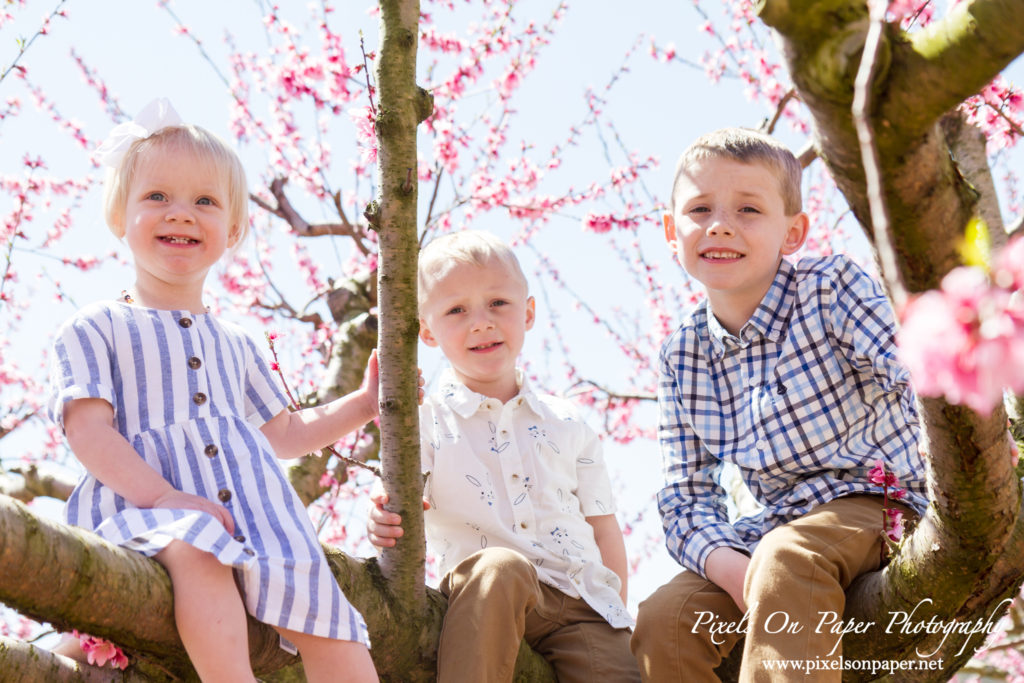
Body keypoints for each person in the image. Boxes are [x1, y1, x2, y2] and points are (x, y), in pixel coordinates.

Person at [47, 99, 379, 682]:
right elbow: (88, 430)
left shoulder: (238, 343)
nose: (181, 213)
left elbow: (285, 433)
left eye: (204, 201)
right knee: (197, 547)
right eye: (157, 197)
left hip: (259, 517)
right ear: (119, 215)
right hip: (145, 512)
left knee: (331, 619)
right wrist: (162, 497)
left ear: (232, 229)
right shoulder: (96, 326)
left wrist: (364, 405)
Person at [631, 127, 929, 681]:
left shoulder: (830, 289)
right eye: (700, 209)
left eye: (748, 209)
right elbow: (684, 497)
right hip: (774, 528)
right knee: (665, 618)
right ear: (672, 232)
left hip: (876, 501)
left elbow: (915, 375)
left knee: (787, 558)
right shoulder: (683, 357)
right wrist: (732, 569)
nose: (720, 224)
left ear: (792, 233)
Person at [367, 230, 640, 682]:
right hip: (485, 597)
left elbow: (602, 525)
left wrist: (614, 610)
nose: (481, 322)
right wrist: (379, 516)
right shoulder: (423, 424)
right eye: (456, 310)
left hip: (578, 602)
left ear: (528, 312)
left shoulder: (568, 421)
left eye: (498, 303)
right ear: (427, 332)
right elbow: (395, 502)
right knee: (501, 564)